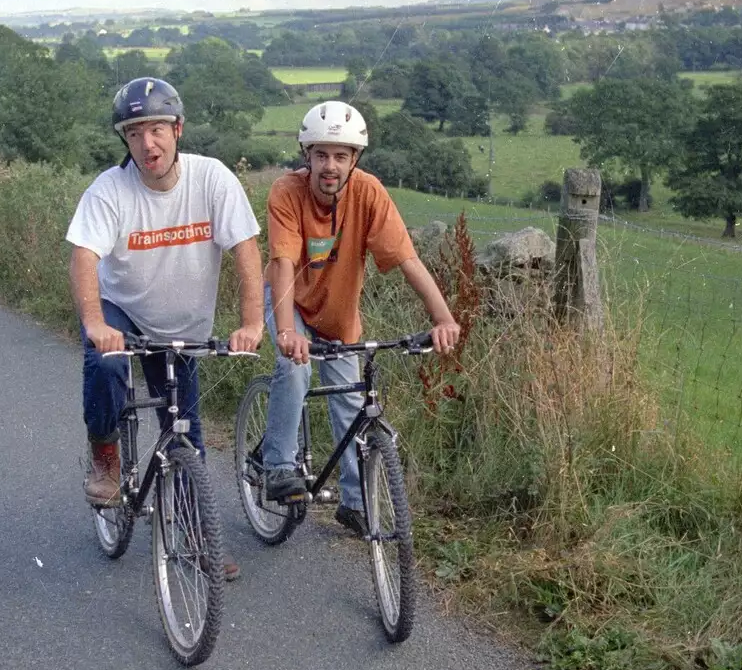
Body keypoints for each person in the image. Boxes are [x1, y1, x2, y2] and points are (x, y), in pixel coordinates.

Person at [66, 76, 264, 577]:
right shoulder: (109, 189)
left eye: (156, 129)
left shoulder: (213, 179)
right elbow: (84, 257)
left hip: (182, 327)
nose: (146, 144)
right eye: (134, 133)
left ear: (178, 129)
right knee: (107, 366)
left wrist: (252, 322)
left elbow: (245, 250)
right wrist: (94, 323)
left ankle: (200, 541)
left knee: (187, 439)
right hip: (124, 313)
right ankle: (106, 454)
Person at [261, 100, 461, 534]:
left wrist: (443, 318)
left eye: (341, 156)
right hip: (289, 301)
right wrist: (283, 331)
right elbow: (280, 263)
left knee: (351, 401)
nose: (329, 166)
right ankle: (277, 465)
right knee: (295, 370)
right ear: (306, 156)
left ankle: (355, 503)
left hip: (338, 310)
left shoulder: (369, 193)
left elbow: (407, 259)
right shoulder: (286, 192)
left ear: (355, 160)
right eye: (320, 155)